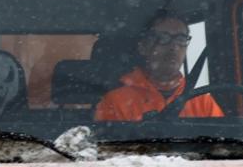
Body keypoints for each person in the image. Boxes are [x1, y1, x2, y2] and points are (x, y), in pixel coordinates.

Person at [94, 14, 228, 122]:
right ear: (143, 47)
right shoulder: (115, 102)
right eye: (163, 38)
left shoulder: (202, 102)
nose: (173, 47)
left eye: (181, 39)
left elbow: (222, 147)